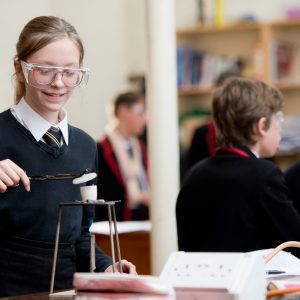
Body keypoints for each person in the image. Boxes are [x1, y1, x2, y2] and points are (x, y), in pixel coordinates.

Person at [0, 16, 136, 297]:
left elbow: (80, 237)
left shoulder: (85, 146)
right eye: (45, 71)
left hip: (67, 293)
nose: (59, 83)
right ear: (19, 67)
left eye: (70, 72)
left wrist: (107, 267)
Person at [176, 77, 300, 255]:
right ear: (261, 126)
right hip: (249, 281)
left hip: (201, 281)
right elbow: (295, 241)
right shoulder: (264, 174)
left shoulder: (194, 174)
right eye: (278, 119)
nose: (280, 128)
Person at [95, 92, 149, 221]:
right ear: (123, 111)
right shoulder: (100, 150)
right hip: (113, 224)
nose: (145, 120)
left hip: (143, 222)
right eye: (140, 114)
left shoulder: (141, 147)